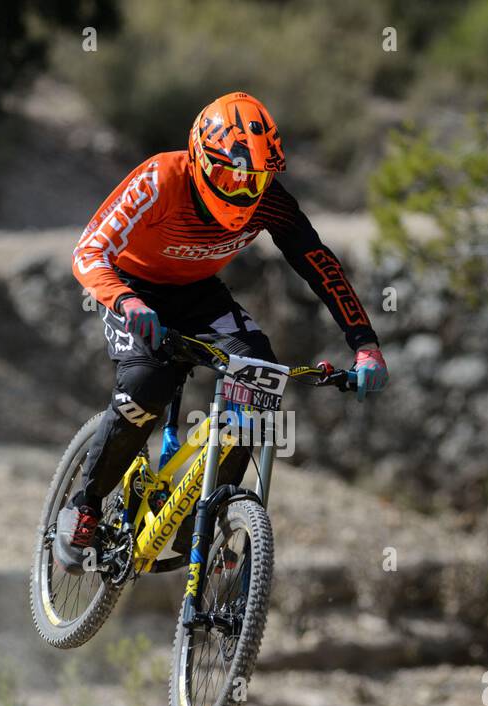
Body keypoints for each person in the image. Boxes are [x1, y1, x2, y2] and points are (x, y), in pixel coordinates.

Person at [54, 91, 388, 572]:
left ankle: (209, 516)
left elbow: (319, 264)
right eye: (231, 174)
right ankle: (83, 505)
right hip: (132, 289)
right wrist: (126, 301)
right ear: (199, 160)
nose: (243, 190)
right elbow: (89, 251)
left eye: (255, 178)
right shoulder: (161, 178)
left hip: (198, 295)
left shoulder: (268, 202)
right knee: (146, 386)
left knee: (258, 379)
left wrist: (365, 345)